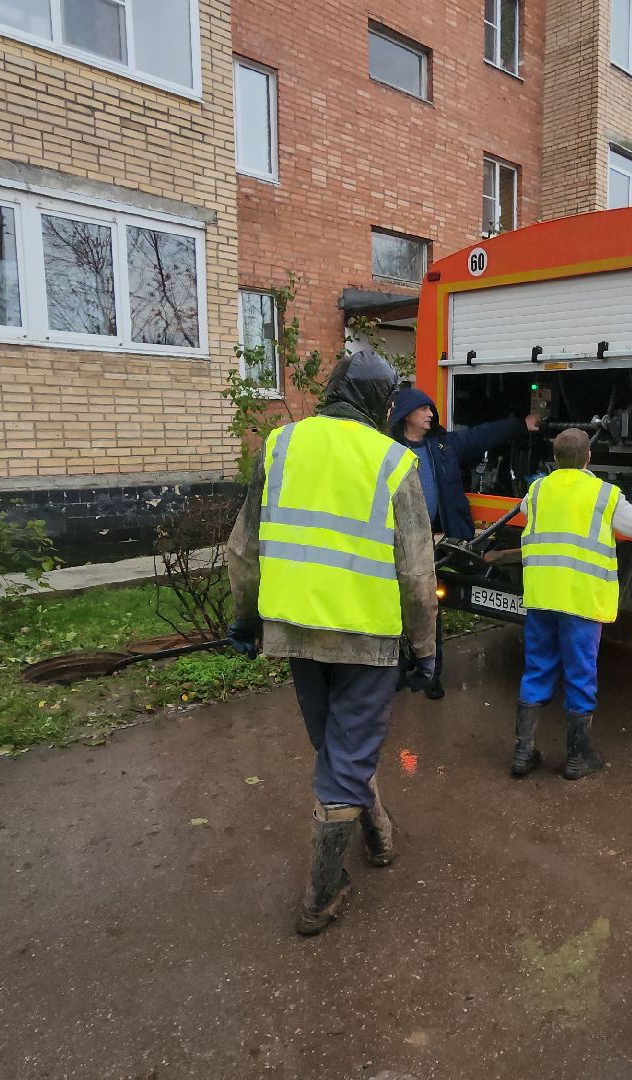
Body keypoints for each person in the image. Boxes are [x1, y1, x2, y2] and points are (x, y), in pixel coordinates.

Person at [225, 351, 439, 936]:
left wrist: (245, 619)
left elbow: (244, 548)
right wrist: (425, 650)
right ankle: (322, 894)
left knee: (334, 745)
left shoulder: (281, 445)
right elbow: (418, 573)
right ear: (379, 403)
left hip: (296, 628)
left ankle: (378, 836)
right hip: (366, 637)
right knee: (344, 754)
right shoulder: (394, 462)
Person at [511, 428, 632, 781]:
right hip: (579, 601)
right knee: (579, 675)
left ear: (555, 459)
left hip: (541, 597)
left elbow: (524, 507)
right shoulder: (604, 495)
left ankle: (522, 754)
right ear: (588, 458)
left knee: (536, 670)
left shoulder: (537, 490)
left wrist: (538, 484)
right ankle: (578, 758)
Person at [387, 388, 540, 541]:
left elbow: (482, 435)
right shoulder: (390, 451)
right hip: (405, 541)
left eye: (430, 409)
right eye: (424, 409)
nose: (431, 414)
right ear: (406, 415)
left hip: (445, 541)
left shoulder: (445, 445)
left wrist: (520, 425)